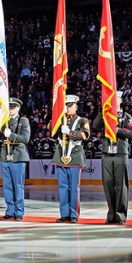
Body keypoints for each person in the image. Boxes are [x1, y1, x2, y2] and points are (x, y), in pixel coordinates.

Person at [93, 91, 132, 225]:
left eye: (115, 98)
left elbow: (131, 133)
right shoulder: (106, 116)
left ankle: (120, 214)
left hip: (120, 153)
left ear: (120, 101)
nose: (112, 100)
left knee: (121, 185)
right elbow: (96, 124)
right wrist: (104, 111)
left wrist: (118, 131)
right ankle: (111, 214)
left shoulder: (126, 117)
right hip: (106, 152)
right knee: (108, 185)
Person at [50, 95, 90, 223]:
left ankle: (74, 214)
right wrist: (57, 115)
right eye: (66, 105)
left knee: (74, 188)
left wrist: (70, 133)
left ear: (76, 106)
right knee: (62, 187)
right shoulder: (60, 120)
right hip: (61, 155)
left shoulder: (82, 120)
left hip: (75, 156)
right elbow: (51, 130)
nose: (68, 108)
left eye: (70, 105)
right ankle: (64, 214)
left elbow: (85, 135)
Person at [0, 98, 31, 221]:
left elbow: (25, 139)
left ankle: (19, 211)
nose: (10, 109)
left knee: (18, 185)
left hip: (18, 156)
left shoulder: (23, 121)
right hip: (6, 156)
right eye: (9, 107)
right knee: (7, 186)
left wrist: (11, 135)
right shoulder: (5, 120)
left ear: (18, 108)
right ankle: (10, 210)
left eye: (13, 107)